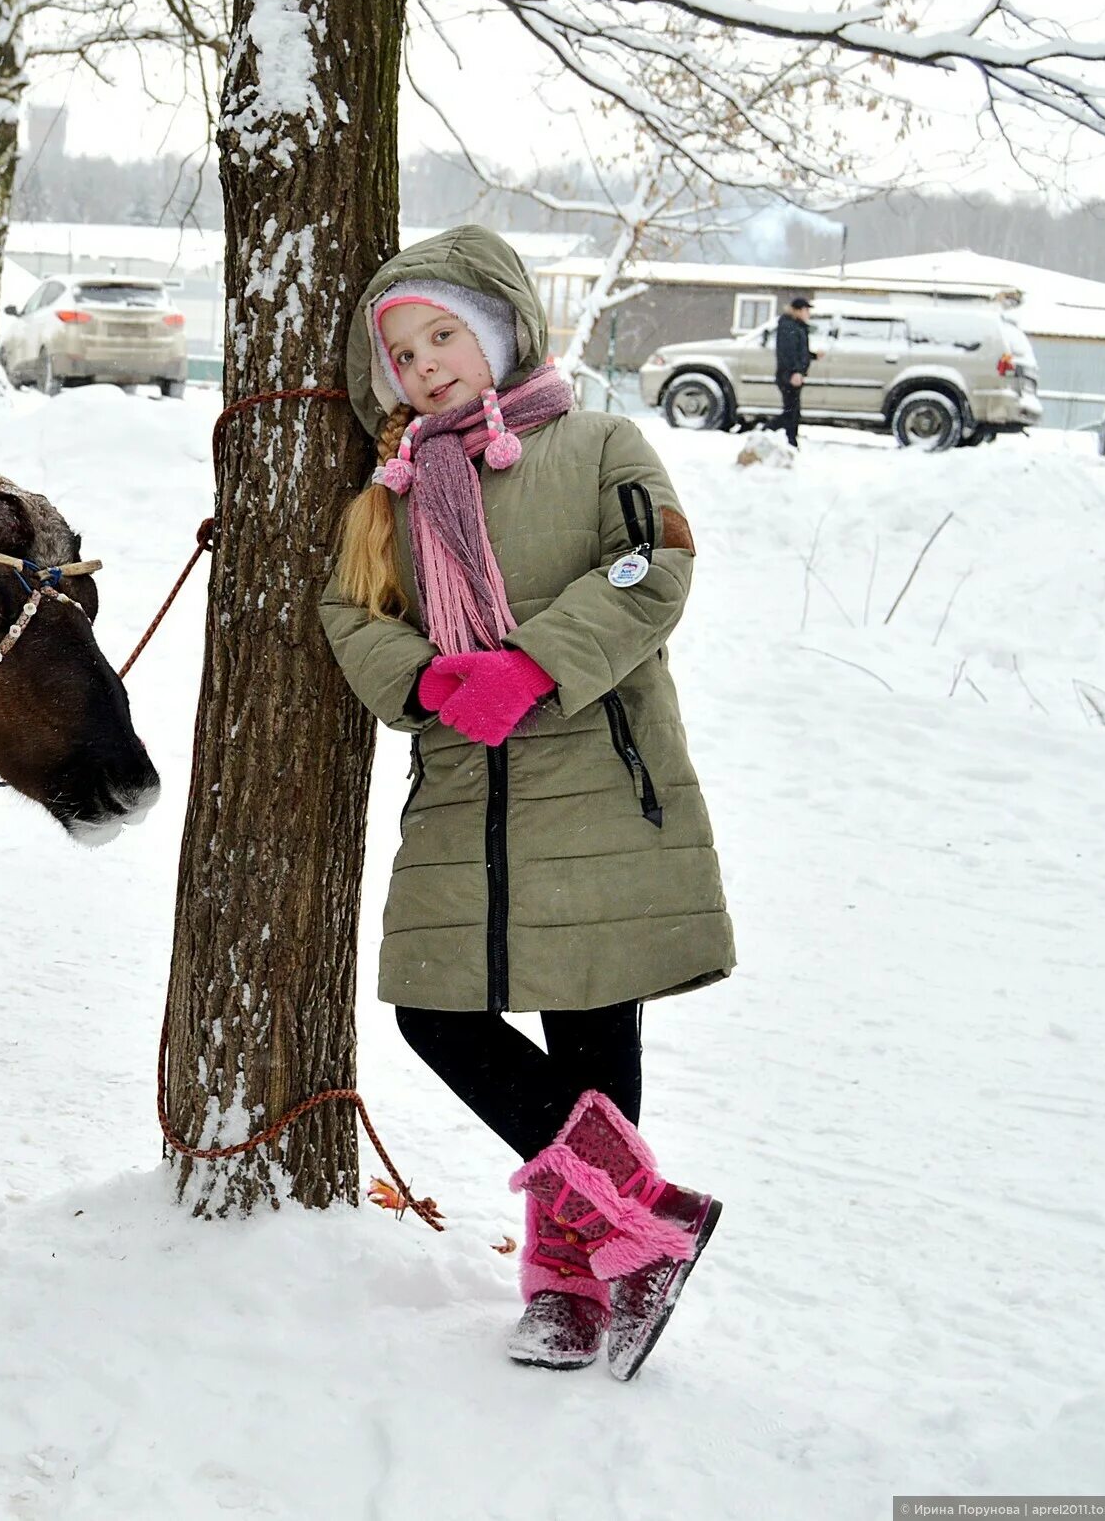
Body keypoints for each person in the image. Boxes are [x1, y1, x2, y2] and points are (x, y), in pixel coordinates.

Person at [317, 225, 736, 1381]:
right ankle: (650, 1220)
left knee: (594, 1027)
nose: (427, 365)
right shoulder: (389, 497)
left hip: (598, 777)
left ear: (498, 331)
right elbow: (348, 616)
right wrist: (423, 676)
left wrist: (535, 660)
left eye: (444, 335)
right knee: (432, 1012)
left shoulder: (602, 442)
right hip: (464, 790)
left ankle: (574, 1279)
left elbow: (656, 567)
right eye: (402, 355)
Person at [774, 296, 814, 445]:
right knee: (791, 411)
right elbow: (788, 353)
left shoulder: (798, 326)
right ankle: (768, 431)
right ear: (797, 311)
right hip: (788, 375)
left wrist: (813, 356)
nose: (808, 313)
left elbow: (800, 351)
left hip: (793, 374)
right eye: (805, 310)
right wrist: (795, 372)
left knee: (793, 411)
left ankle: (791, 440)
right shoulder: (789, 327)